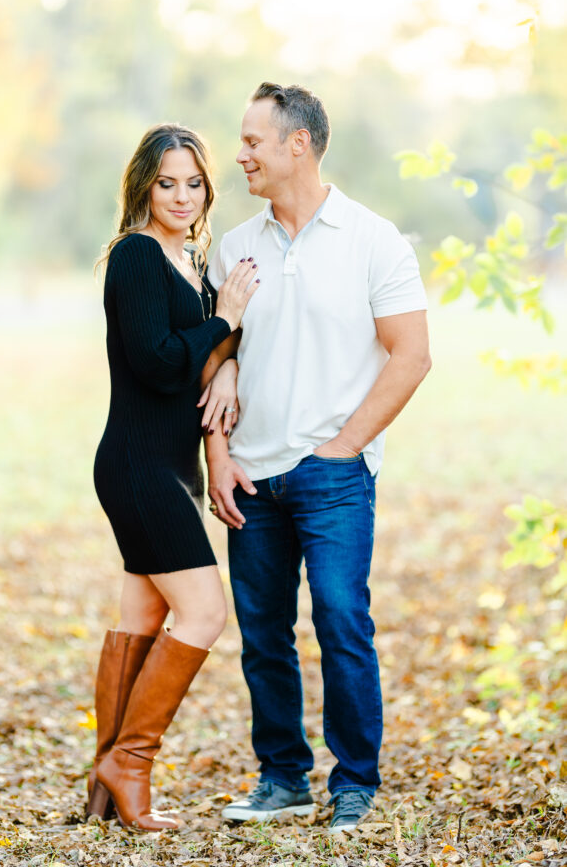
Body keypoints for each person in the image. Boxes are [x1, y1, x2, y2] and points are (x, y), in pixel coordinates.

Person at [206, 83, 431, 834]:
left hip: (333, 475)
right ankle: (282, 779)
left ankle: (354, 782)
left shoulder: (374, 239)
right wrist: (217, 455)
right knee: (263, 631)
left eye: (252, 142)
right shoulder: (233, 246)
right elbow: (214, 359)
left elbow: (410, 356)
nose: (238, 155)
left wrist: (343, 447)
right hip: (250, 474)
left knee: (340, 621)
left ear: (296, 144)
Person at [87, 124, 259, 832]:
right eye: (167, 183)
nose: (182, 196)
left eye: (193, 182)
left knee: (144, 618)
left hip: (171, 463)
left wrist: (230, 362)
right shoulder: (134, 256)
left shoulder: (191, 259)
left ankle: (104, 786)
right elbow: (158, 362)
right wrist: (222, 319)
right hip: (135, 463)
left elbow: (222, 342)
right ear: (142, 187)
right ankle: (130, 763)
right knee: (204, 613)